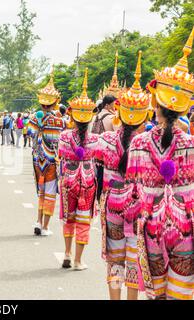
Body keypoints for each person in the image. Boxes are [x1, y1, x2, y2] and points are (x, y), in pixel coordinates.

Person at [126, 27, 194, 300]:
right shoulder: (191, 144)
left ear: (154, 103)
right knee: (180, 293)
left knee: (157, 293)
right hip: (186, 225)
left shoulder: (140, 143)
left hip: (150, 223)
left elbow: (133, 191)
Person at [96, 51, 151, 300]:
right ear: (144, 117)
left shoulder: (107, 140)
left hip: (112, 205)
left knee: (115, 259)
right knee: (133, 260)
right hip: (138, 207)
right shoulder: (148, 143)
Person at [58, 68, 98, 271]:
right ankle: (78, 260)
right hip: (88, 182)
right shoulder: (95, 139)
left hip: (68, 179)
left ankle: (66, 252)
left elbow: (61, 156)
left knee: (69, 219)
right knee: (83, 221)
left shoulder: (64, 136)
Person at [29, 68, 66, 236]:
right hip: (52, 160)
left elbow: (31, 134)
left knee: (41, 192)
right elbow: (61, 141)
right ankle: (44, 226)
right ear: (55, 102)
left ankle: (38, 220)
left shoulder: (33, 119)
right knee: (50, 193)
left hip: (38, 159)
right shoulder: (60, 122)